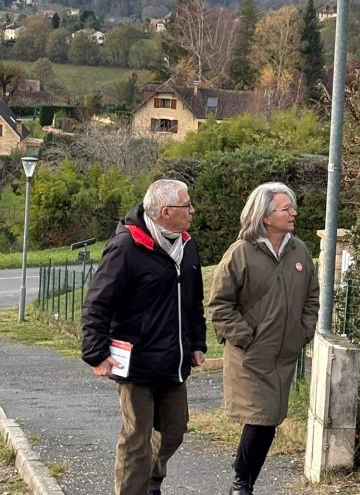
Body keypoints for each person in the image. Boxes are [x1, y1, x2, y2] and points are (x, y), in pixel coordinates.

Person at [81, 179, 207, 495]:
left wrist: (197, 343)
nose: (192, 210)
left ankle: (150, 482)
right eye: (186, 205)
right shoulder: (126, 247)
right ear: (165, 212)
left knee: (174, 431)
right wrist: (96, 353)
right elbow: (98, 302)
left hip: (174, 362)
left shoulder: (187, 245)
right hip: (136, 362)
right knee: (137, 437)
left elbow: (194, 302)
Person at [208, 182, 319, 495]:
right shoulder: (240, 254)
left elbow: (312, 294)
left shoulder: (299, 250)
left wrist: (303, 330)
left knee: (269, 419)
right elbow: (219, 305)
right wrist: (247, 338)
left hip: (284, 355)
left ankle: (243, 480)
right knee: (261, 417)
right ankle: (241, 483)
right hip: (251, 356)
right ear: (266, 216)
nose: (293, 212)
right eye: (286, 208)